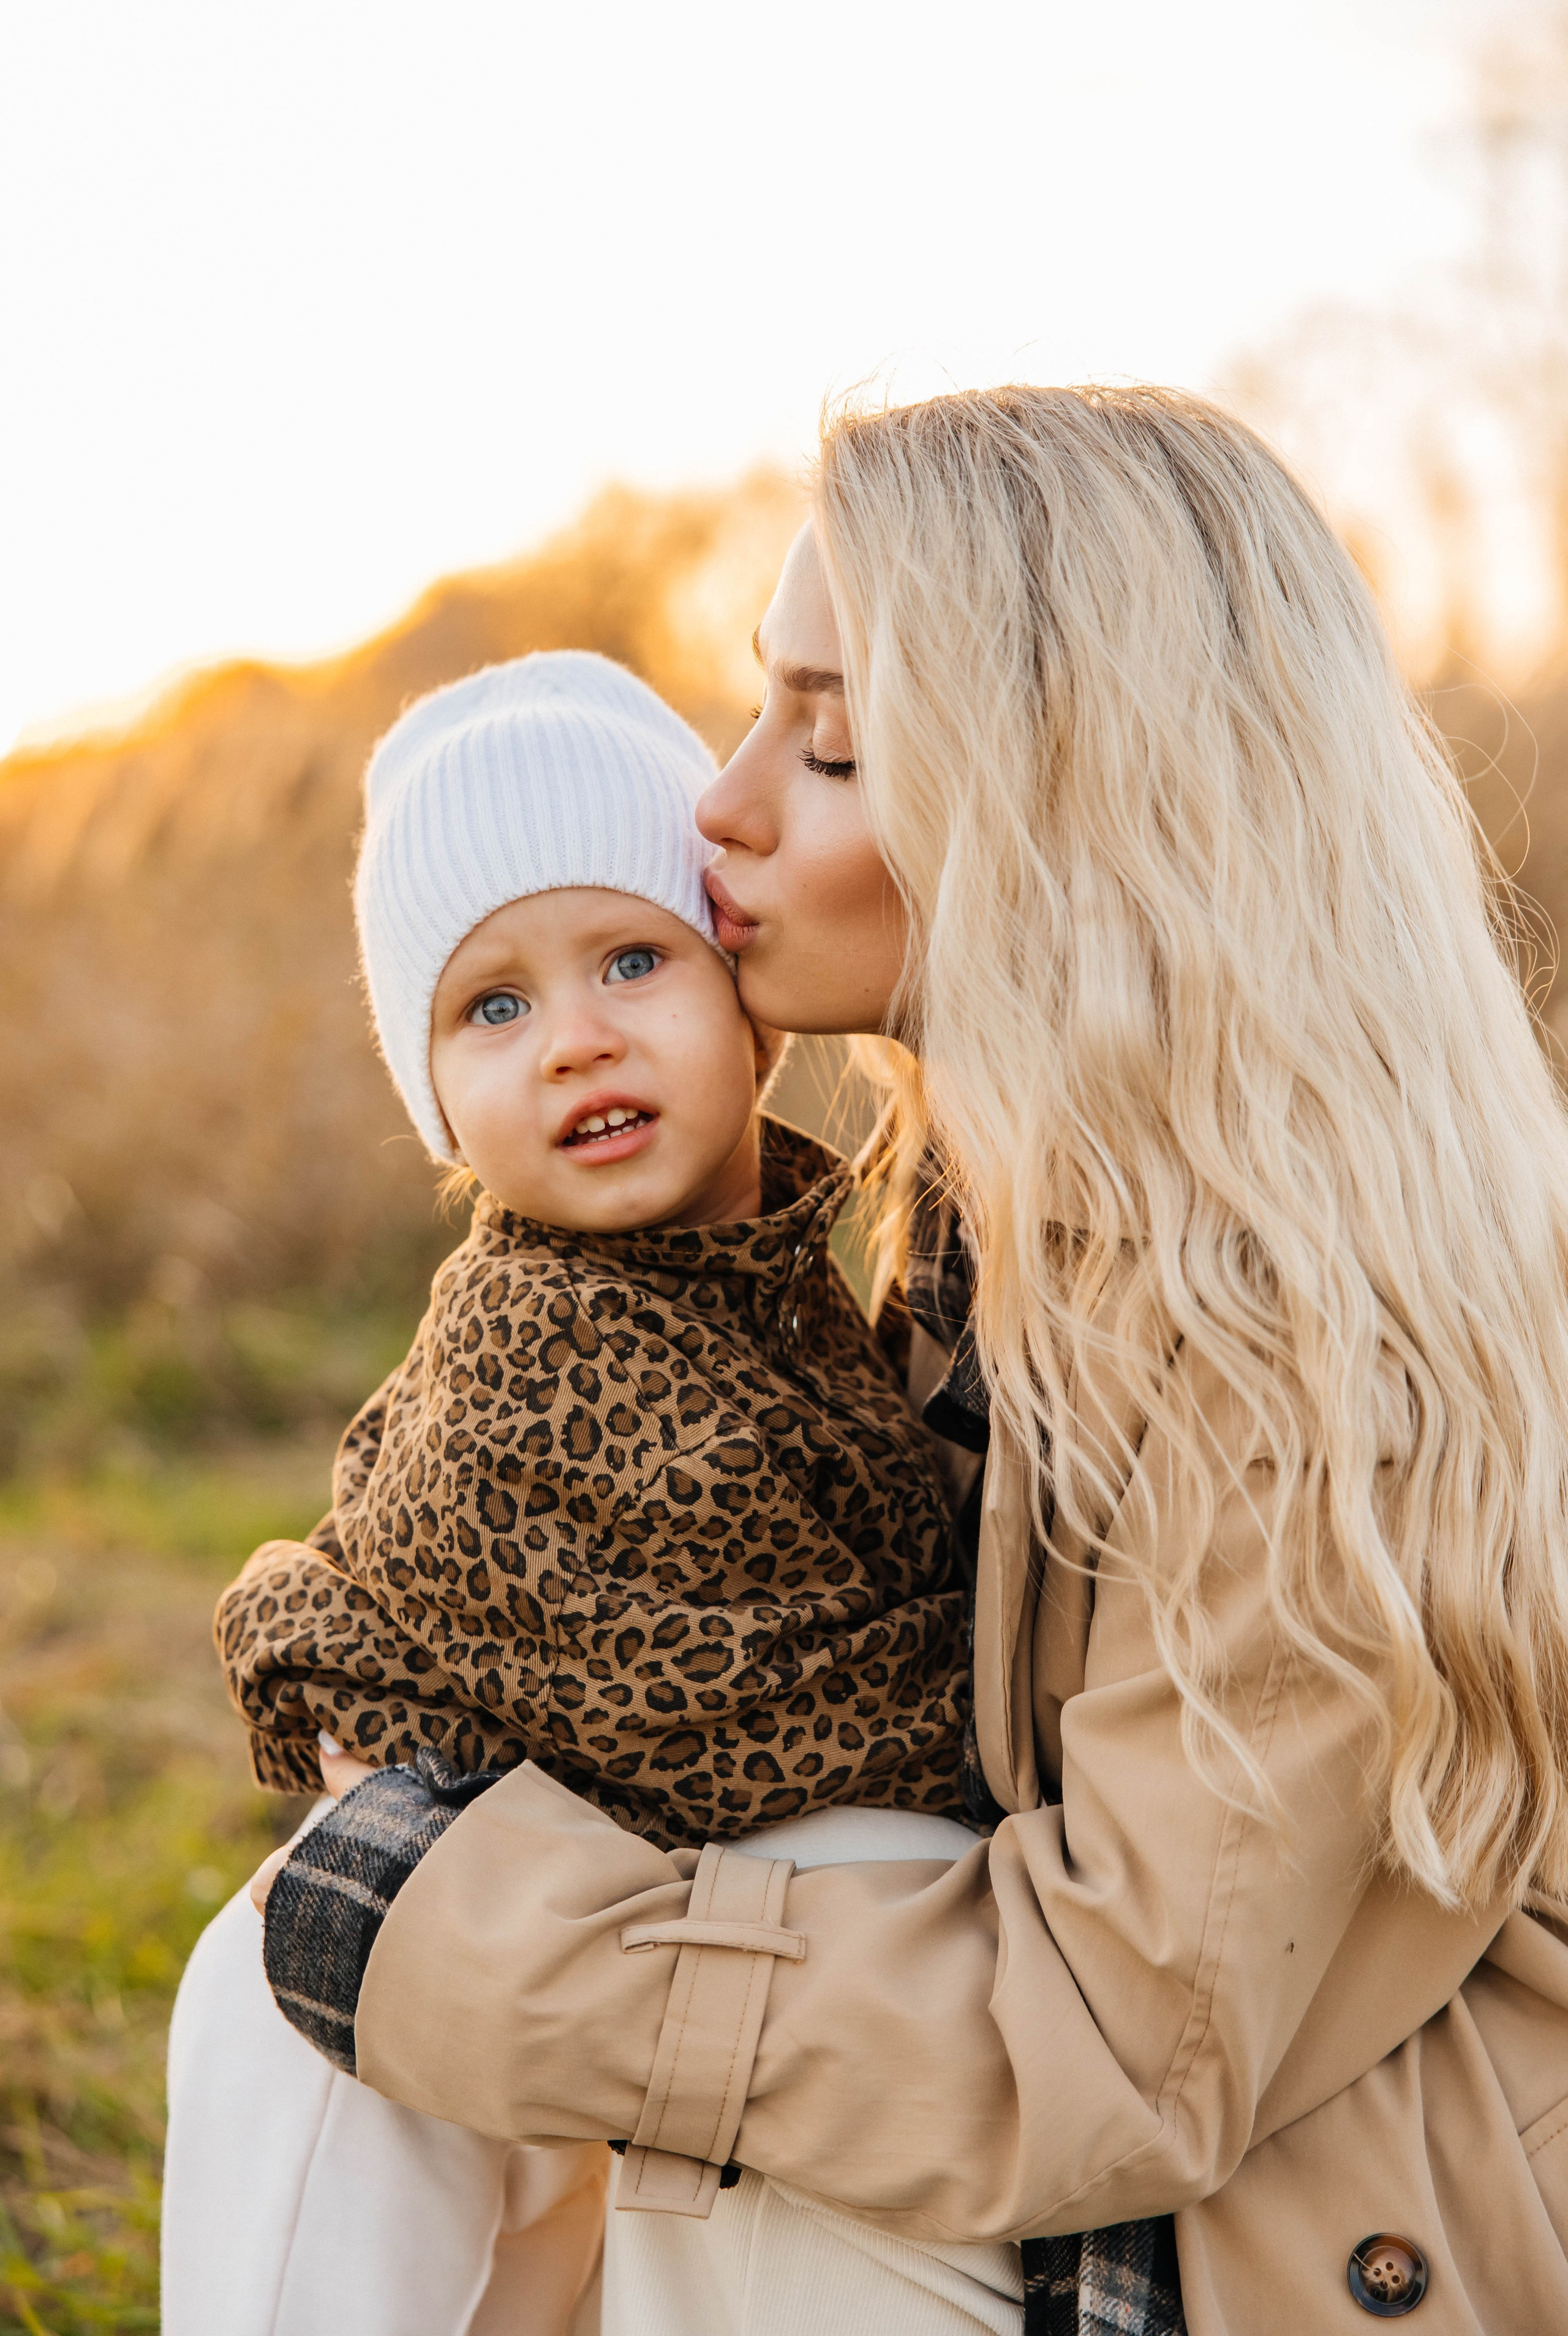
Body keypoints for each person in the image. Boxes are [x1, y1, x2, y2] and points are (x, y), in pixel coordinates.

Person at [252, 386, 1568, 2335]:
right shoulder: (998, 1212)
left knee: (514, 1995)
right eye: (757, 704)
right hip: (1150, 2131)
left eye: (835, 744)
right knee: (331, 1974)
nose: (720, 805)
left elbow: (1123, 2043)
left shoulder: (1308, 1331)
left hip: (1330, 2231)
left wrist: (443, 1927)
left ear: (1070, 812)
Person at [165, 647, 981, 2336]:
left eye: (632, 958)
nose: (577, 1040)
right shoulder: (537, 1345)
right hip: (534, 1914)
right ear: (438, 1106)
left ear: (746, 992)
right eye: (494, 1008)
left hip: (628, 1957)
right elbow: (734, 1710)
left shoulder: (787, 1288)